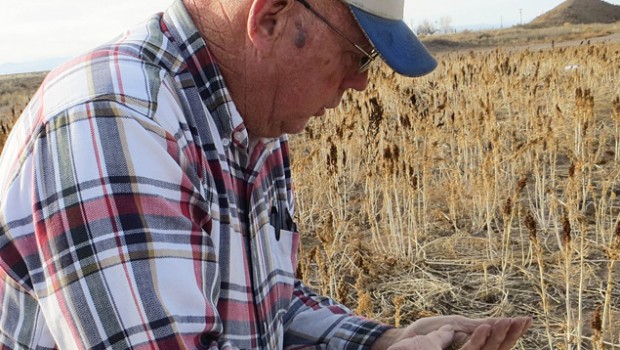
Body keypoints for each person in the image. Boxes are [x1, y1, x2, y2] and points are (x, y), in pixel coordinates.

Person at [0, 0, 532, 348]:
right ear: (271, 18)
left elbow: (265, 303)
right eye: (358, 54)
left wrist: (381, 342)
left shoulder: (255, 125)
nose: (360, 83)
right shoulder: (117, 120)